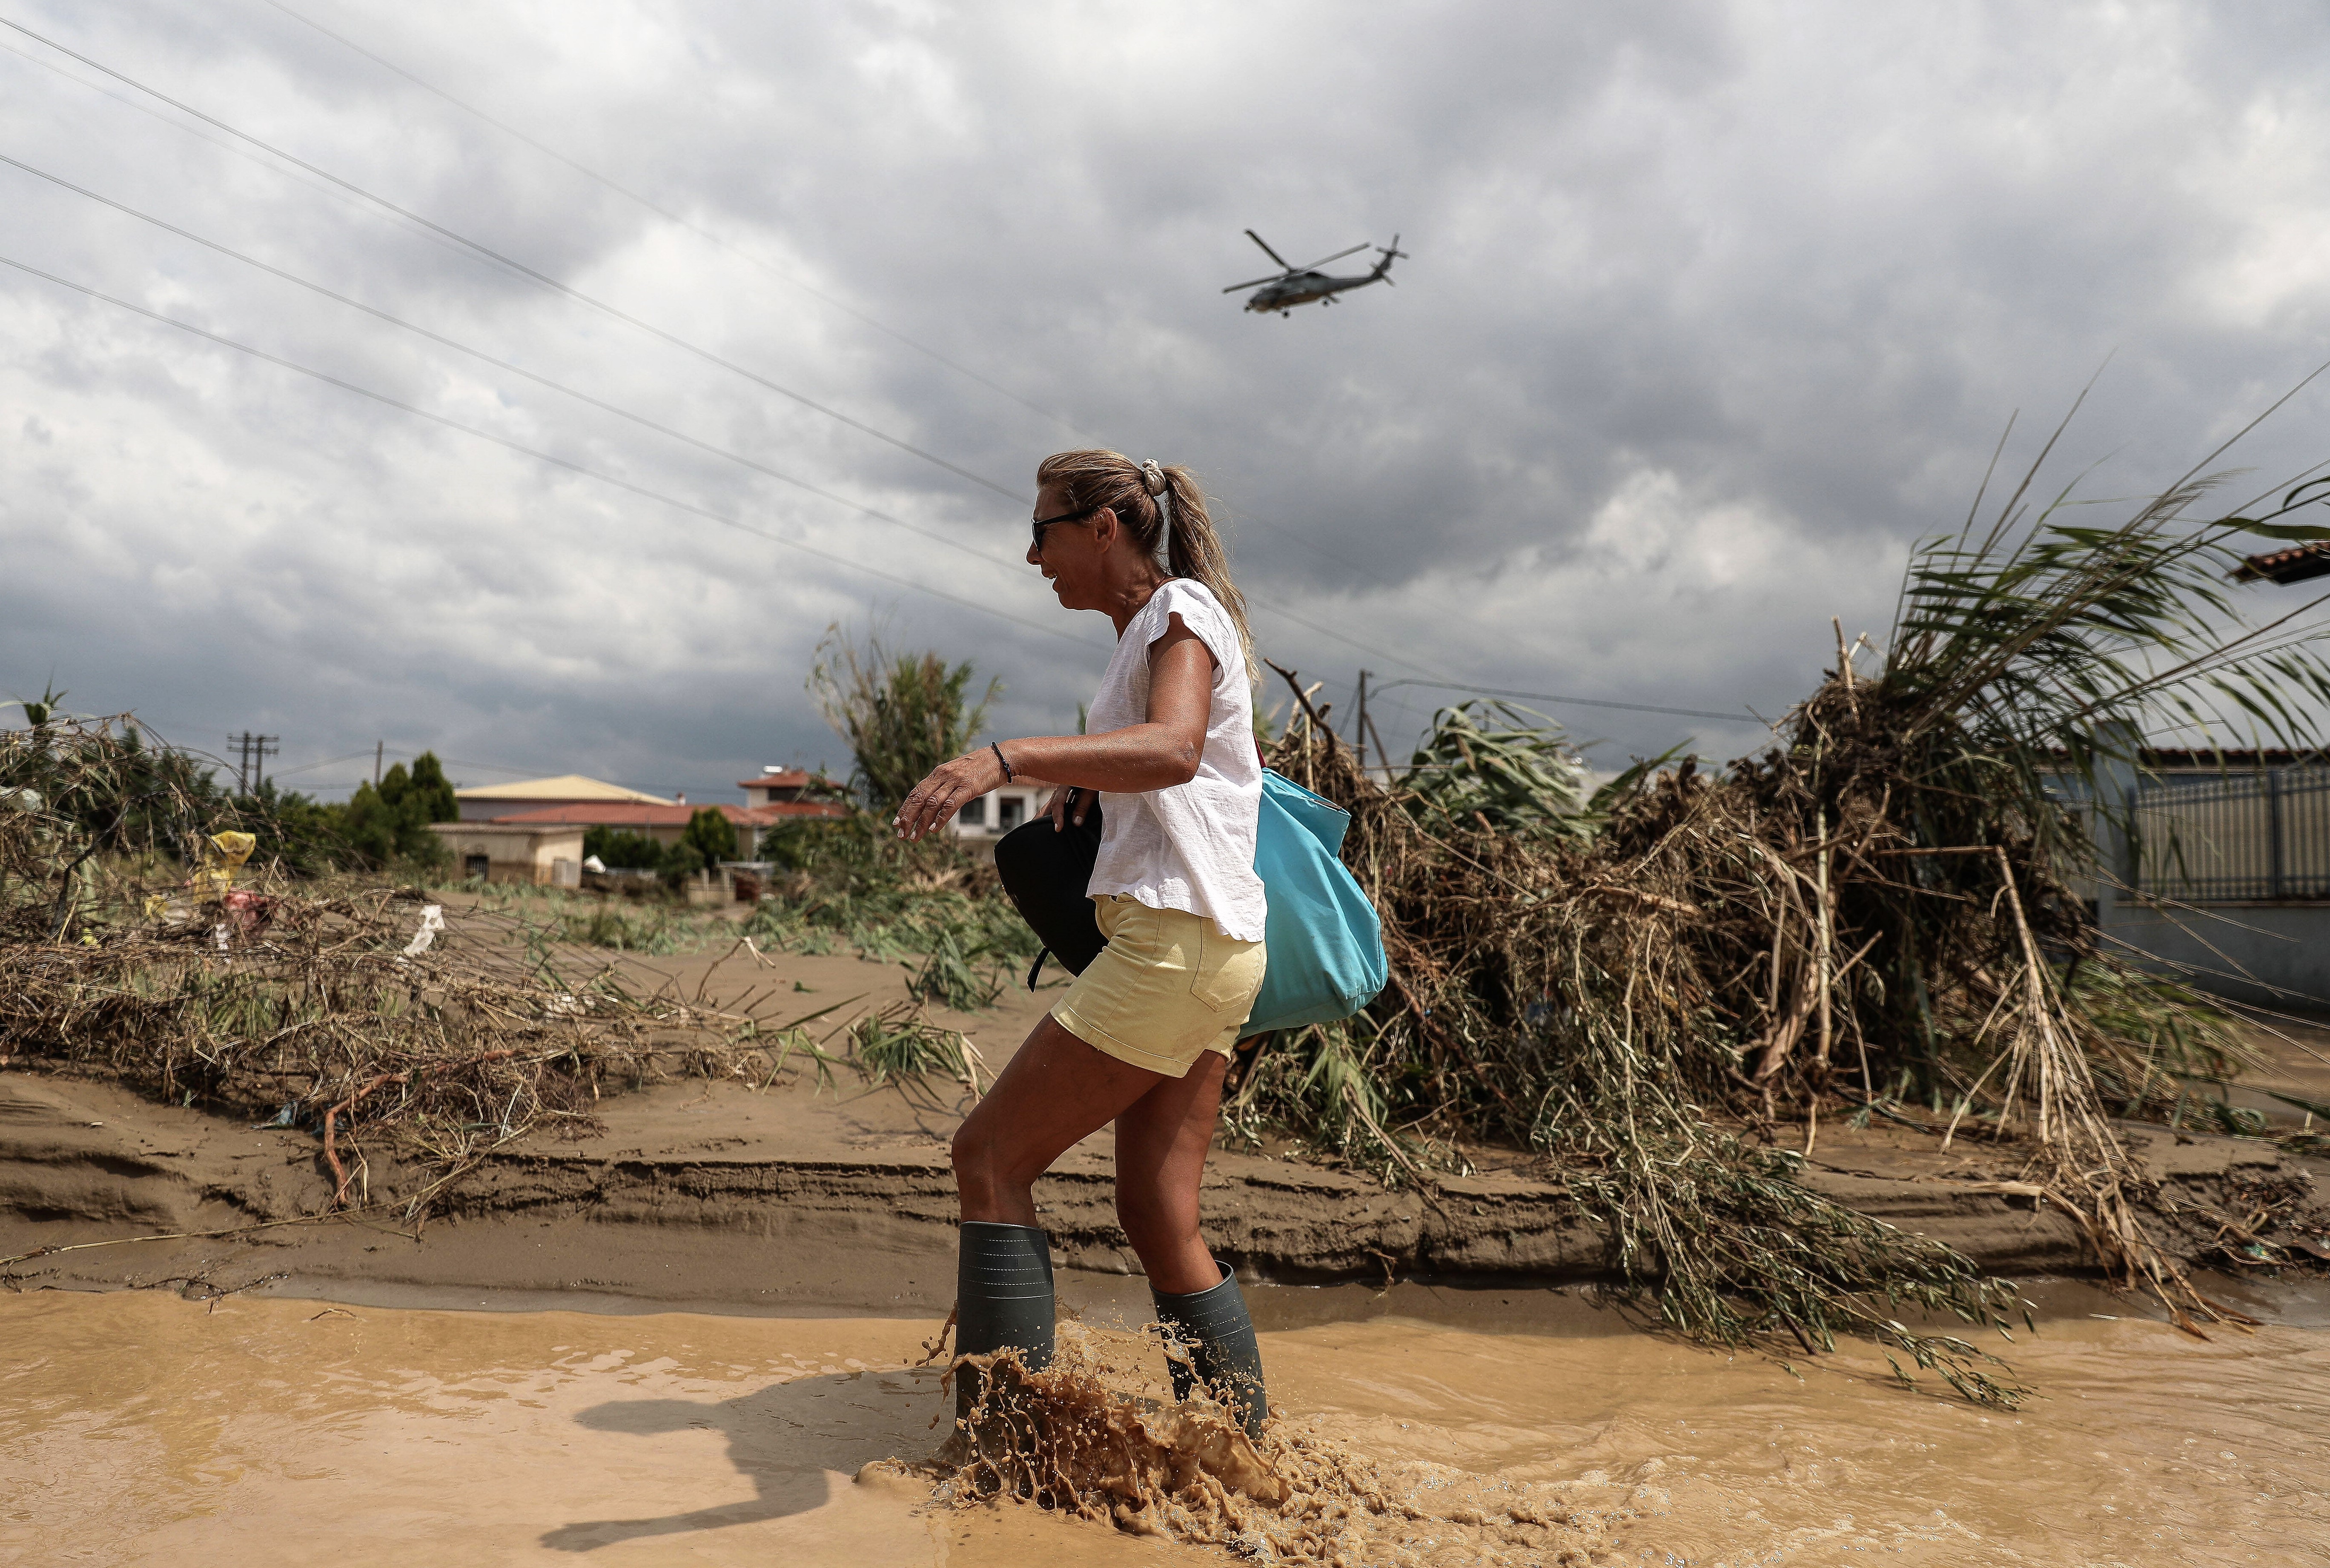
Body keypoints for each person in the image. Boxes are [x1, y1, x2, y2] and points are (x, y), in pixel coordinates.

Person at [891, 449, 1271, 1440]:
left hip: (1174, 946)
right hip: (1216, 949)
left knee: (988, 1157)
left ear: (1104, 528)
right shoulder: (1150, 630)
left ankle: (1002, 1456)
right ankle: (1235, 1460)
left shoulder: (1179, 610)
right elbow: (1185, 769)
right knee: (1157, 1212)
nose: (1032, 557)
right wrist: (1089, 775)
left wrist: (1008, 757)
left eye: (1042, 532)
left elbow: (1176, 747)